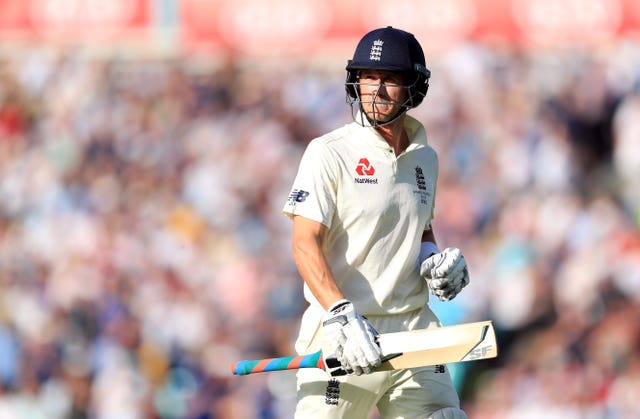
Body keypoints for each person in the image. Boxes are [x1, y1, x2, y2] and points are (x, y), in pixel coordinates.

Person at [282, 26, 470, 419]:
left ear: (414, 88)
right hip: (346, 335)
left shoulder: (425, 158)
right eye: (368, 78)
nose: (377, 90)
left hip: (415, 331)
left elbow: (418, 228)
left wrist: (432, 258)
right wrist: (339, 313)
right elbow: (304, 243)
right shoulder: (328, 153)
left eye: (390, 80)